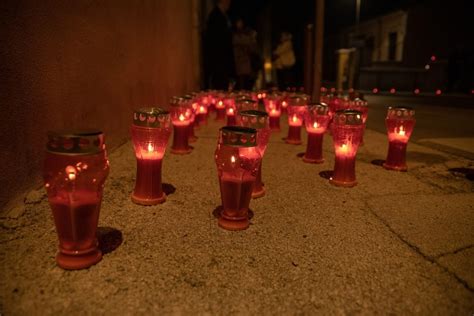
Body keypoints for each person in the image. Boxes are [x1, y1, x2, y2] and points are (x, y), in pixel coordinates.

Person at [203, 0, 235, 90]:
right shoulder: (215, 17)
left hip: (223, 62)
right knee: (220, 89)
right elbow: (215, 42)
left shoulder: (223, 16)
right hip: (219, 62)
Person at [232, 18, 259, 90]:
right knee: (241, 81)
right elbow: (241, 42)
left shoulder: (246, 35)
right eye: (238, 23)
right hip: (239, 61)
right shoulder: (236, 36)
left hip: (247, 62)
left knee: (247, 82)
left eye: (241, 23)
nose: (239, 25)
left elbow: (253, 47)